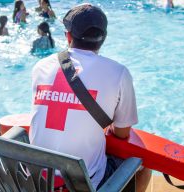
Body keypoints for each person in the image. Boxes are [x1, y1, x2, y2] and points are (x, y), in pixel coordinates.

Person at [30, 3, 151, 191]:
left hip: (37, 181)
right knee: (143, 165)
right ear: (103, 39)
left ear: (68, 36)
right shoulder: (118, 73)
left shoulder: (41, 67)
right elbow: (122, 133)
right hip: (83, 185)